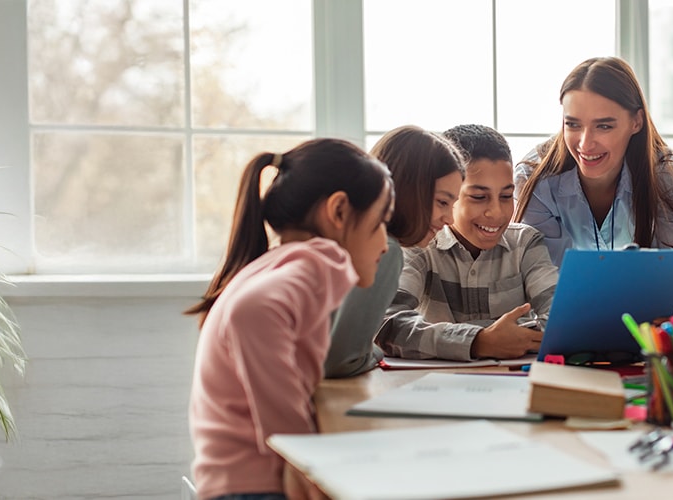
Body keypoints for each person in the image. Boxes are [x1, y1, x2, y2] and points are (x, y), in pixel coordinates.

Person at [185, 139, 392, 500]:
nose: (385, 244)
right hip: (256, 488)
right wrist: (301, 459)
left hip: (235, 482)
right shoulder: (316, 261)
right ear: (339, 211)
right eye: (380, 223)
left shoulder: (279, 262)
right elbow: (252, 311)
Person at [378, 124, 559, 360]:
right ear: (451, 194)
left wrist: (449, 338)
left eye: (506, 196)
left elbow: (560, 321)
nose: (496, 212)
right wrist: (479, 341)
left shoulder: (526, 243)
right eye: (479, 197)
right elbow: (387, 324)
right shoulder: (420, 245)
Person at [514, 56, 673, 266]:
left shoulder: (666, 178)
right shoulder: (534, 179)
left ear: (636, 122)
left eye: (604, 126)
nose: (585, 144)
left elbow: (671, 276)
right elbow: (545, 276)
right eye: (573, 125)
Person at [325, 126, 464, 378]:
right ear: (408, 190)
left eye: (453, 205)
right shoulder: (384, 250)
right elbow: (342, 361)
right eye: (442, 202)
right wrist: (376, 352)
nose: (450, 219)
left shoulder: (345, 238)